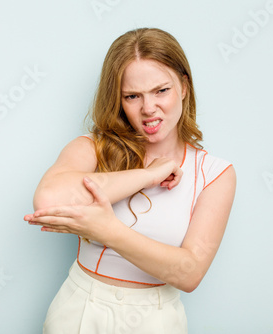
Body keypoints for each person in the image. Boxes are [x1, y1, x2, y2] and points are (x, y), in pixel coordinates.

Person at [23, 27, 236, 334]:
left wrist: (106, 229)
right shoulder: (92, 148)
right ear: (118, 99)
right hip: (80, 310)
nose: (148, 108)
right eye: (132, 96)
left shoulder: (215, 174)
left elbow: (189, 273)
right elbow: (48, 201)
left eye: (161, 90)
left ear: (184, 87)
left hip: (157, 320)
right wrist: (148, 175)